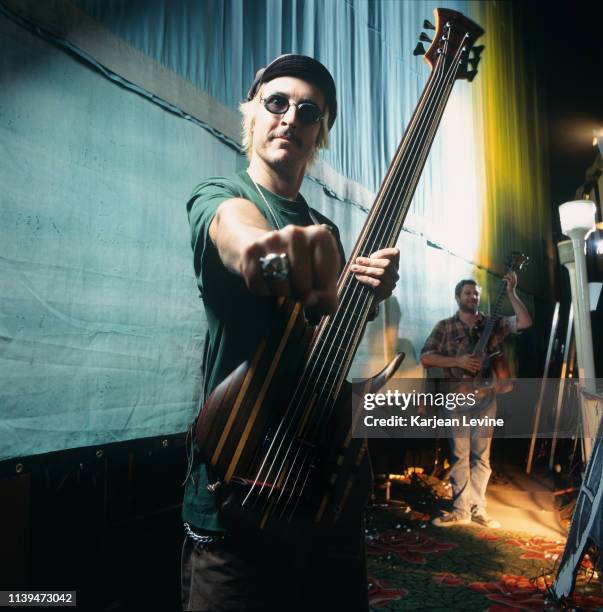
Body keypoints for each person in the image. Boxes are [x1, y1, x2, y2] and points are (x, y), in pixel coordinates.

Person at [182, 54, 399, 611]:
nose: (290, 117)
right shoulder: (220, 196)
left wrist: (365, 298)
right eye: (277, 102)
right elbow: (246, 249)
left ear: (319, 133)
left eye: (309, 111)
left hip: (317, 484)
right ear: (252, 115)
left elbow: (327, 334)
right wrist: (276, 257)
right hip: (237, 483)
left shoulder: (325, 227)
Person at [420, 276, 532, 528]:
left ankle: (478, 509)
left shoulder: (491, 324)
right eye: (468, 293)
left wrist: (512, 292)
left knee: (481, 457)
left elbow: (525, 322)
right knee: (460, 455)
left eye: (476, 294)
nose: (473, 297)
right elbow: (426, 357)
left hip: (485, 398)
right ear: (458, 297)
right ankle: (461, 511)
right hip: (456, 397)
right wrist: (457, 362)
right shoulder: (445, 326)